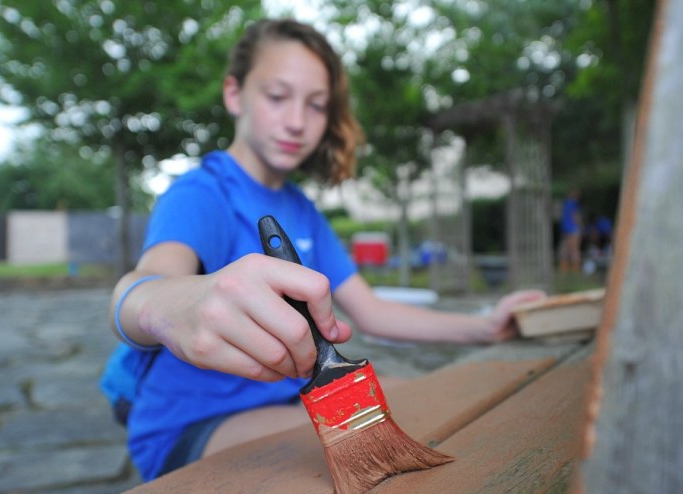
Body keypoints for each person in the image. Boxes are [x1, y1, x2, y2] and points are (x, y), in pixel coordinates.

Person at [104, 18, 546, 482]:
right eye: (277, 97)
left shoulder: (301, 209)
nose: (297, 121)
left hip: (292, 399)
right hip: (191, 426)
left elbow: (372, 312)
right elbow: (142, 285)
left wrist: (488, 327)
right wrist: (164, 304)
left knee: (445, 405)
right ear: (234, 94)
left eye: (316, 106)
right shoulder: (200, 194)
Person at [558, 188, 583, 273]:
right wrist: (581, 226)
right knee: (575, 249)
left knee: (564, 248)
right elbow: (575, 216)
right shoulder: (574, 204)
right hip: (573, 228)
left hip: (564, 228)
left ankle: (563, 267)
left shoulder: (565, 203)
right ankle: (575, 268)